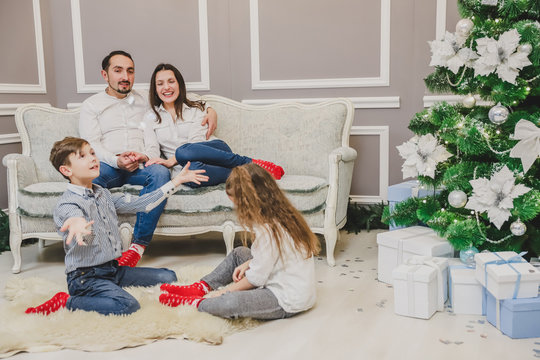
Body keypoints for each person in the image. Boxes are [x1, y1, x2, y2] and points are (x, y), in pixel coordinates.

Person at [24, 137, 209, 316]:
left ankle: (111, 286)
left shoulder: (103, 194)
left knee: (168, 277)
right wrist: (77, 223)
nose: (92, 158)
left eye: (92, 153)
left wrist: (176, 181)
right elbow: (72, 217)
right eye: (82, 156)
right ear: (66, 170)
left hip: (112, 270)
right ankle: (67, 301)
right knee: (127, 305)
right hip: (85, 278)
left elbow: (143, 203)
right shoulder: (68, 204)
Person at [79, 51, 218, 267]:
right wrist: (117, 161)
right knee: (89, 182)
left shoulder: (145, 96)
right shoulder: (92, 105)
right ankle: (98, 248)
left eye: (130, 71)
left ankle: (137, 246)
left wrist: (210, 110)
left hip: (141, 164)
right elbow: (91, 144)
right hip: (108, 164)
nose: (125, 76)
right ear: (105, 75)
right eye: (118, 70)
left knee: (161, 172)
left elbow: (179, 94)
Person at [159, 163, 319, 320]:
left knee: (230, 301)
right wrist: (249, 262)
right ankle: (201, 287)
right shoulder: (281, 213)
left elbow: (256, 278)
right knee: (239, 253)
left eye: (237, 204)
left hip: (286, 298)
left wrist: (224, 292)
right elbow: (273, 256)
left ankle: (198, 303)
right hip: (284, 279)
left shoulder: (269, 229)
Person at [143, 63, 284, 187]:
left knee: (183, 151)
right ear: (155, 89)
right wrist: (148, 160)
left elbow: (195, 142)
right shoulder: (150, 118)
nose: (166, 87)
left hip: (215, 150)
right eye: (160, 84)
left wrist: (171, 161)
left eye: (171, 81)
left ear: (179, 83)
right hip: (190, 166)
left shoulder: (196, 107)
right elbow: (152, 148)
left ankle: (249, 162)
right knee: (190, 175)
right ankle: (247, 173)